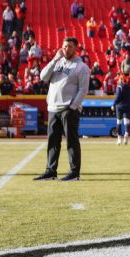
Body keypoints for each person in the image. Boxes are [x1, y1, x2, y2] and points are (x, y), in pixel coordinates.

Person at [34, 37, 90, 181]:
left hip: (68, 109)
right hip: (53, 107)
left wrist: (72, 107)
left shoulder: (81, 67)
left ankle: (74, 173)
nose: (66, 49)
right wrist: (54, 59)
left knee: (71, 141)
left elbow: (83, 90)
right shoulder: (57, 62)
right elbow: (43, 77)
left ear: (76, 48)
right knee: (52, 141)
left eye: (70, 46)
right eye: (64, 46)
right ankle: (51, 171)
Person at [114, 74, 130, 145]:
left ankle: (119, 139)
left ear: (122, 80)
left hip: (120, 106)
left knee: (119, 122)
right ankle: (126, 134)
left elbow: (118, 97)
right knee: (126, 122)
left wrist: (114, 104)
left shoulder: (119, 87)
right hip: (128, 106)